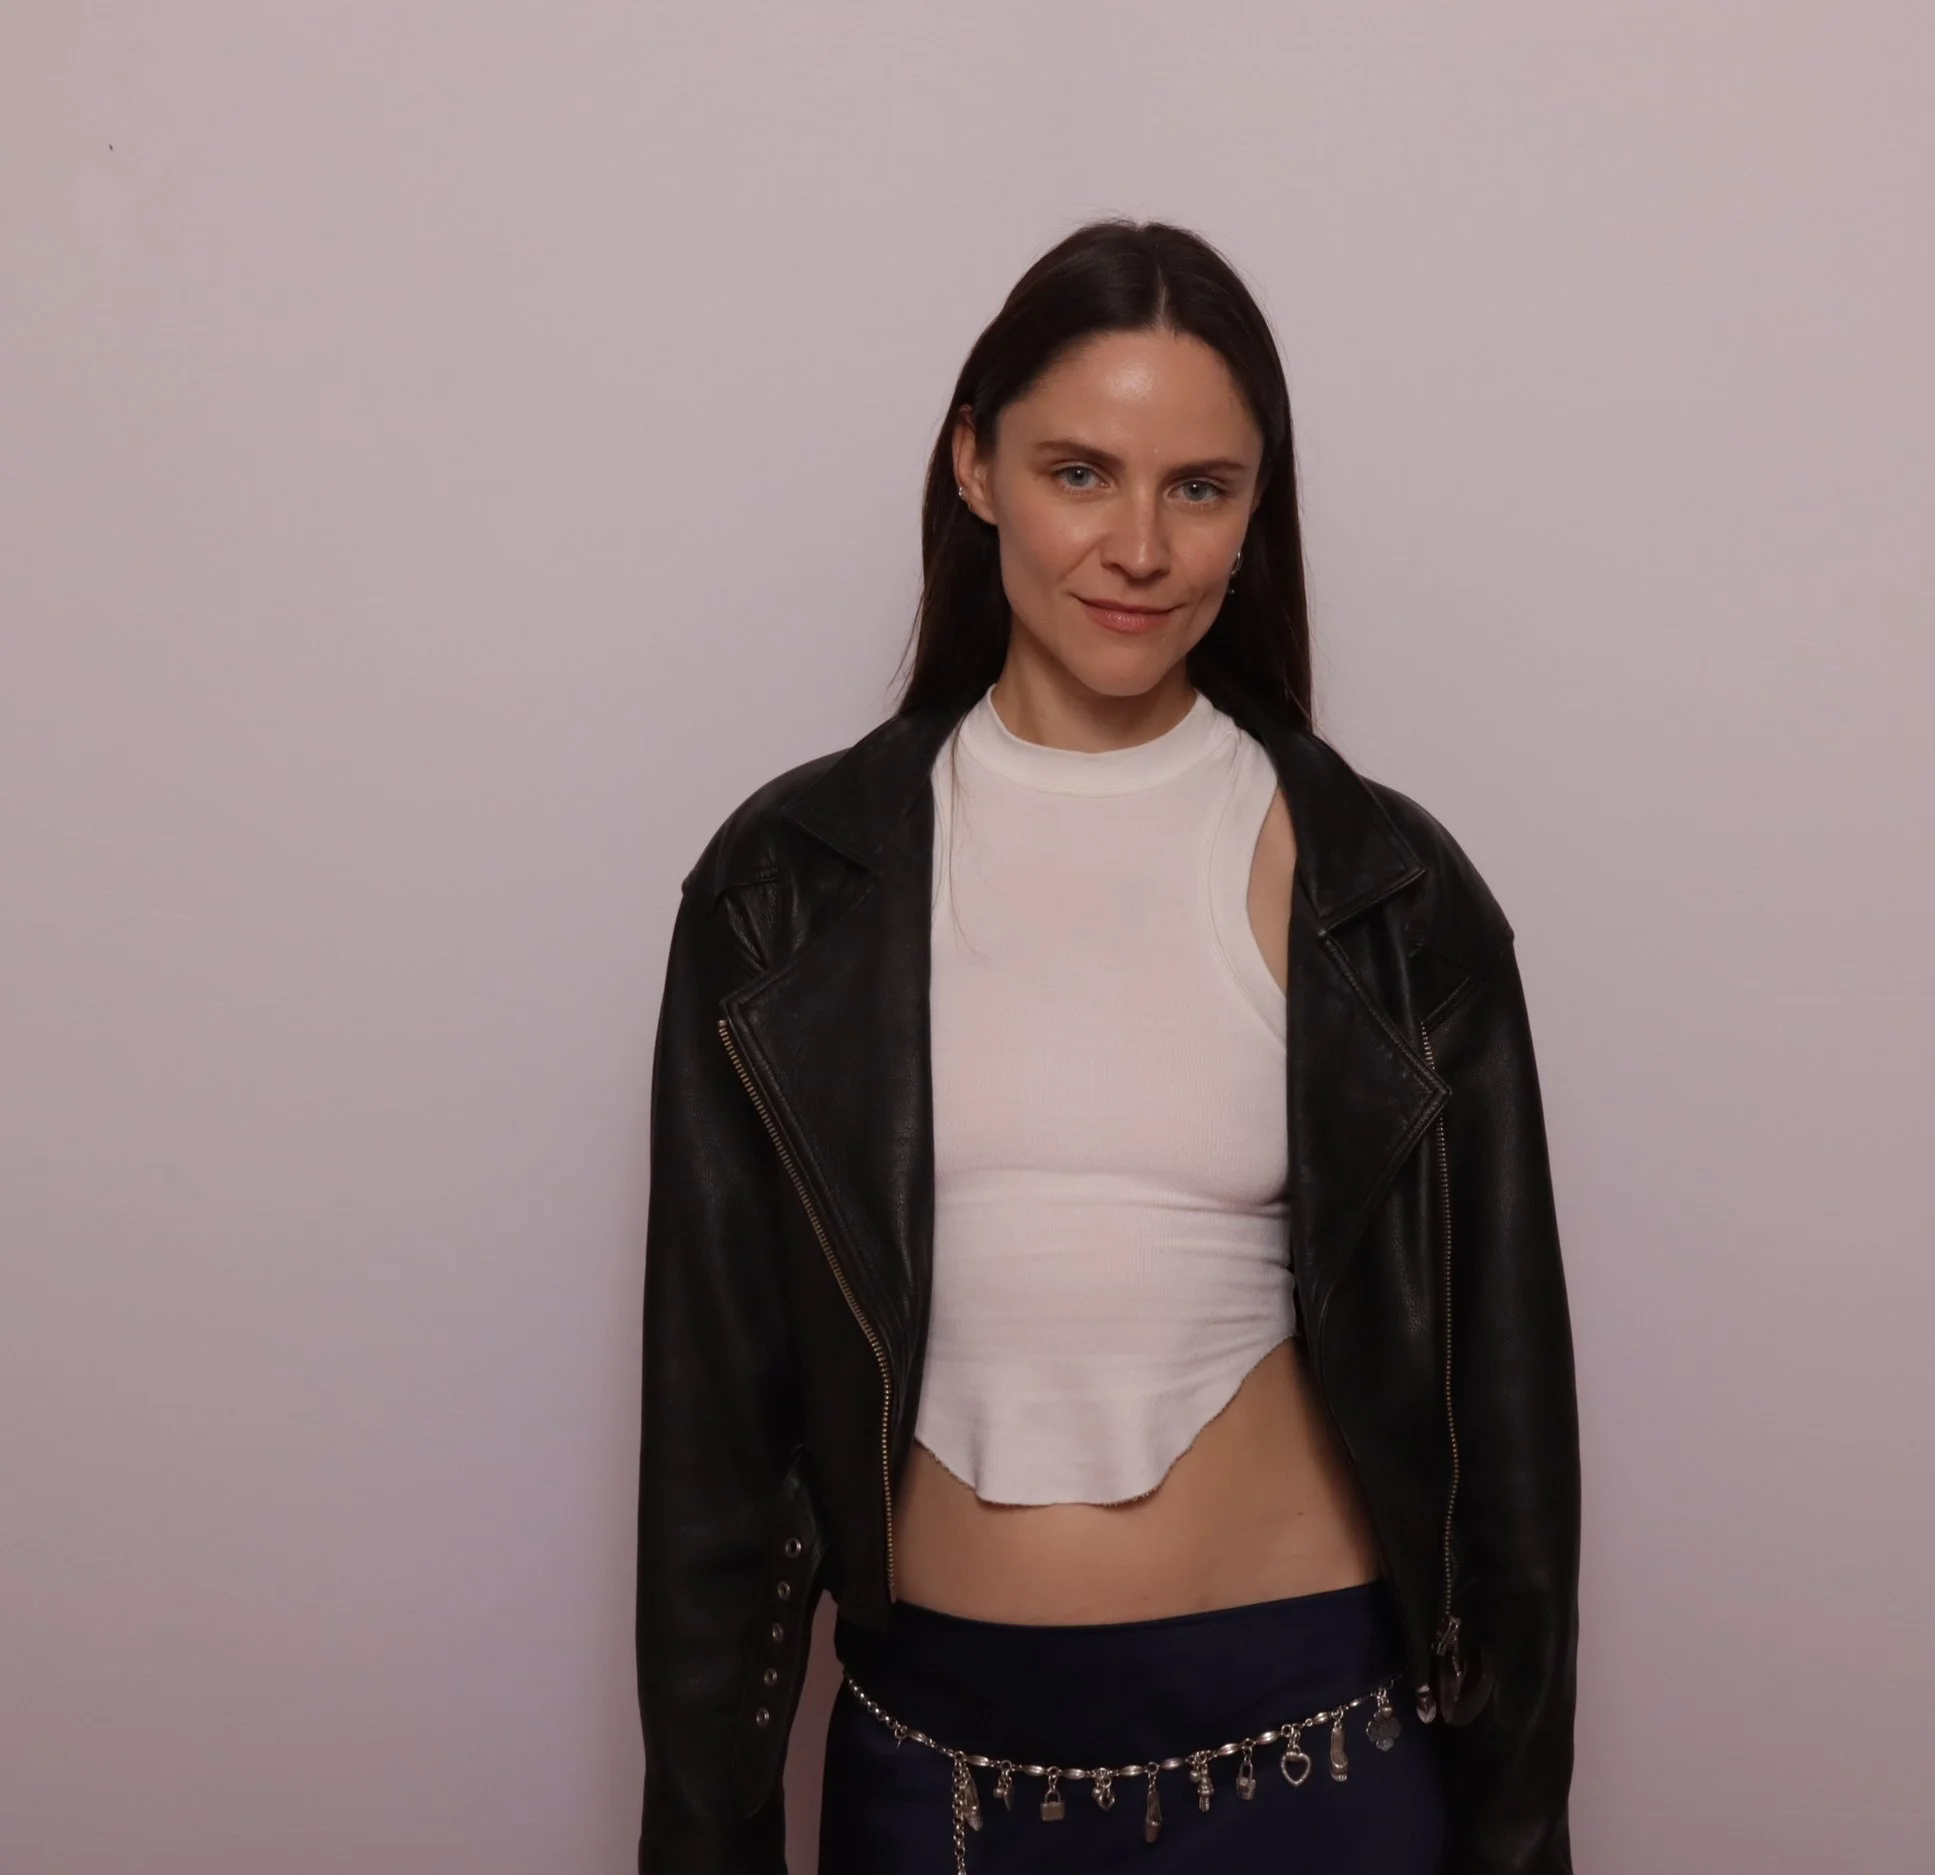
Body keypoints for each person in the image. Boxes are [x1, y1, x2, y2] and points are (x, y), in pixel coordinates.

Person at [634, 219, 1579, 1875]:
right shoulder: (785, 894)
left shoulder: (1391, 897)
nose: (1140, 545)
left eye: (1200, 488)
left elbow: (1511, 1455)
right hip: (940, 1783)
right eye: (1083, 471)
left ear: (1254, 511)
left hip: (1320, 1764)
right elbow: (715, 1454)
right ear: (975, 467)